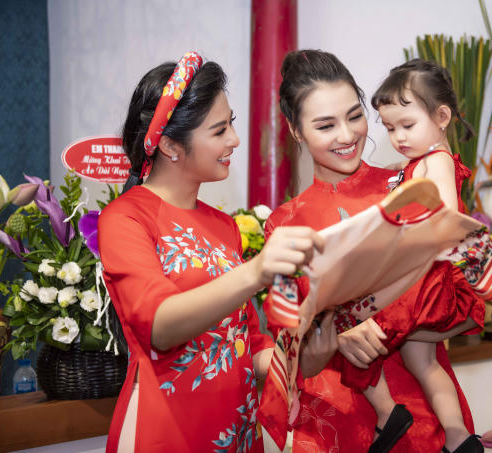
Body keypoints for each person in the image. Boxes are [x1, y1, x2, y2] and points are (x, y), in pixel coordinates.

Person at [258, 49, 483, 453]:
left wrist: (389, 325)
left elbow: (467, 302)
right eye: (326, 125)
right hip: (337, 421)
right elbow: (293, 359)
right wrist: (334, 338)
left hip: (427, 413)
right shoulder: (285, 227)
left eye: (355, 116)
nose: (347, 135)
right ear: (296, 131)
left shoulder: (410, 185)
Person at [98, 52, 323, 453]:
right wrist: (256, 272)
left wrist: (308, 347)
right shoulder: (125, 218)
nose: (234, 139)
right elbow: (160, 326)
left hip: (236, 431)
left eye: (231, 123)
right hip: (167, 431)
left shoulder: (224, 226)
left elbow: (249, 345)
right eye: (220, 130)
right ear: (171, 145)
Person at [369, 58, 488, 453]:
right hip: (421, 277)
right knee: (423, 363)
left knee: (356, 333)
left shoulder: (436, 162)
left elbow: (446, 216)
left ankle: (388, 414)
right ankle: (457, 436)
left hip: (424, 282)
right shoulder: (420, 163)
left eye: (407, 125)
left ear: (441, 117)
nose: (398, 137)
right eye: (390, 128)